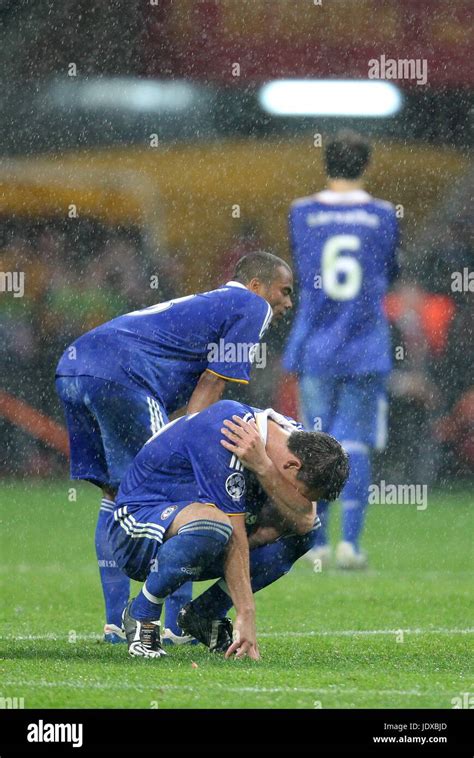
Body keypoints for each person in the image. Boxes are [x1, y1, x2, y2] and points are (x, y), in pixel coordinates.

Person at [55, 252, 293, 642]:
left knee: (117, 495)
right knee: (181, 489)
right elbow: (212, 385)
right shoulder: (253, 306)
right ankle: (171, 623)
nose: (288, 302)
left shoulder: (212, 305)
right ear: (256, 286)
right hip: (124, 375)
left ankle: (116, 622)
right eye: (284, 291)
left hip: (74, 366)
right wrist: (190, 447)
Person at [109, 399, 349, 659]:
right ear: (292, 466)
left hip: (198, 535)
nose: (300, 498)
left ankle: (204, 615)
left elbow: (305, 519)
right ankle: (142, 612)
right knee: (215, 525)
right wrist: (246, 613)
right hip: (137, 525)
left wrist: (264, 468)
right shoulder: (228, 431)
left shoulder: (293, 439)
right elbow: (233, 534)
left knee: (304, 532)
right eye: (301, 491)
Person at [282, 130, 399, 569]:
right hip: (366, 344)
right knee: (356, 444)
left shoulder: (302, 213)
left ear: (325, 163)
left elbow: (302, 270)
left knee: (316, 442)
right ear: (366, 165)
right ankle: (350, 544)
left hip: (316, 343)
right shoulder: (383, 215)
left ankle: (316, 544)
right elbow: (388, 270)